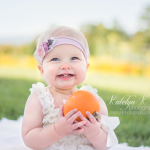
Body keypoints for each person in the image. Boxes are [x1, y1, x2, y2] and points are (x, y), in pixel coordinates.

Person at [22, 26, 120, 150]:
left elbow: (106, 145)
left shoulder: (94, 100)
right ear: (42, 70)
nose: (65, 66)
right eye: (55, 59)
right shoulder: (40, 98)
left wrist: (95, 133)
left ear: (86, 67)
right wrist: (57, 131)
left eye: (74, 58)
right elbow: (29, 139)